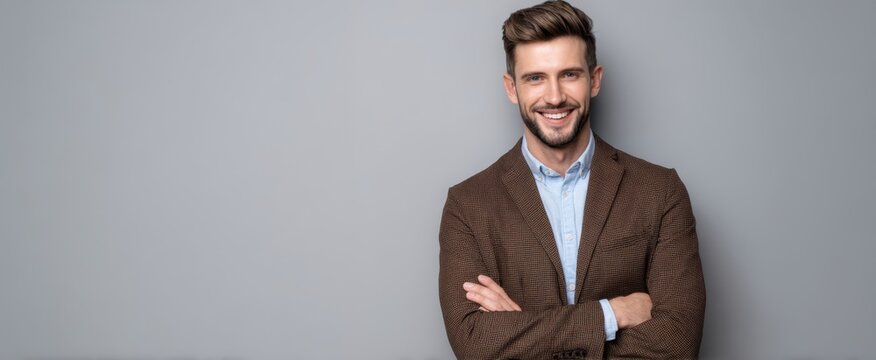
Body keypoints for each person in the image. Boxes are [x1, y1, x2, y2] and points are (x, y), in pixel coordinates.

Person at [437, 1, 706, 359]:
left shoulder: (660, 191)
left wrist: (523, 333)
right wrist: (610, 314)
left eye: (569, 74)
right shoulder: (468, 205)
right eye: (535, 78)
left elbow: (677, 343)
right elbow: (475, 344)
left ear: (594, 80)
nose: (554, 97)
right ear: (511, 88)